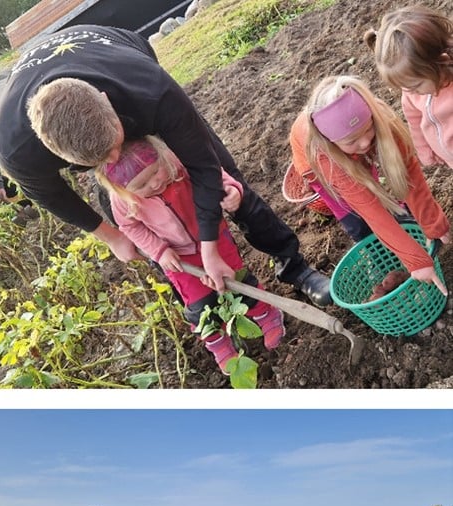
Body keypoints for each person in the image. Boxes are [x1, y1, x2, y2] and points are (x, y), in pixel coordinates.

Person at [0, 25, 332, 306]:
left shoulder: (150, 89)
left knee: (231, 186)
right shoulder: (15, 149)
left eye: (112, 147)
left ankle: (295, 268)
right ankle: (200, 302)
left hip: (121, 66)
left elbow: (204, 168)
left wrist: (210, 247)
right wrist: (110, 236)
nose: (114, 159)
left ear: (109, 105)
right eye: (99, 161)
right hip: (82, 113)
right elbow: (51, 195)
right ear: (58, 155)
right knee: (134, 220)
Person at [95, 136, 285, 375]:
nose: (153, 184)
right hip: (177, 257)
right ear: (123, 190)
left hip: (213, 238)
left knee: (236, 280)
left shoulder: (179, 164)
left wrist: (232, 190)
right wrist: (159, 251)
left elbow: (213, 175)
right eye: (141, 186)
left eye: (155, 173)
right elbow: (131, 228)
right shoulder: (123, 202)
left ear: (162, 156)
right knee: (199, 304)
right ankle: (218, 342)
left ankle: (265, 312)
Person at [289, 75, 450, 293]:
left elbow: (410, 177)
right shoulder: (326, 158)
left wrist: (432, 223)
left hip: (349, 156)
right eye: (352, 140)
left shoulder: (382, 122)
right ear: (333, 142)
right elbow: (370, 209)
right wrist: (417, 262)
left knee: (376, 184)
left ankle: (405, 229)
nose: (365, 142)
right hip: (317, 169)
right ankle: (379, 254)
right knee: (356, 217)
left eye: (367, 129)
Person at [366, 5, 453, 170]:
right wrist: (424, 150)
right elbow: (415, 122)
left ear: (441, 61)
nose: (411, 91)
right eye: (403, 86)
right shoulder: (411, 91)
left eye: (416, 85)